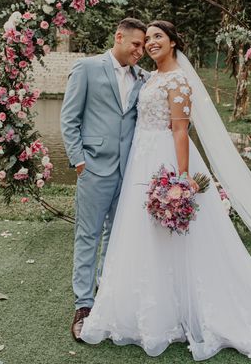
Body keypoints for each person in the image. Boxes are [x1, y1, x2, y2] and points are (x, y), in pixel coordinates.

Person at [79, 21, 251, 361]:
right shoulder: (148, 77)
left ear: (173, 43)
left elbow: (181, 133)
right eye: (147, 39)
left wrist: (181, 181)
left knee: (172, 237)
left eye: (158, 38)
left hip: (163, 159)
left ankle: (180, 307)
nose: (150, 44)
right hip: (139, 158)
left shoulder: (180, 82)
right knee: (140, 233)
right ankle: (136, 303)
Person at [60, 17, 147, 342]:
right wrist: (80, 162)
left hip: (129, 171)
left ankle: (107, 291)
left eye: (143, 45)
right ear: (119, 37)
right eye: (135, 44)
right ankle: (83, 305)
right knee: (89, 236)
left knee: (117, 236)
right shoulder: (87, 68)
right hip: (94, 168)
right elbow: (69, 119)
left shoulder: (143, 77)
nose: (140, 51)